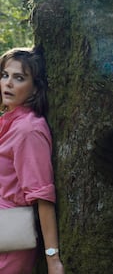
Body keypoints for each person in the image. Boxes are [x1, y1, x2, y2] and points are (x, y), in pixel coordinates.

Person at [0, 46, 64, 274]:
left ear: (35, 87)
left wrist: (52, 259)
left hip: (8, 239)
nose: (8, 83)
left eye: (19, 78)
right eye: (5, 75)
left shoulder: (28, 130)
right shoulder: (8, 121)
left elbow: (42, 196)